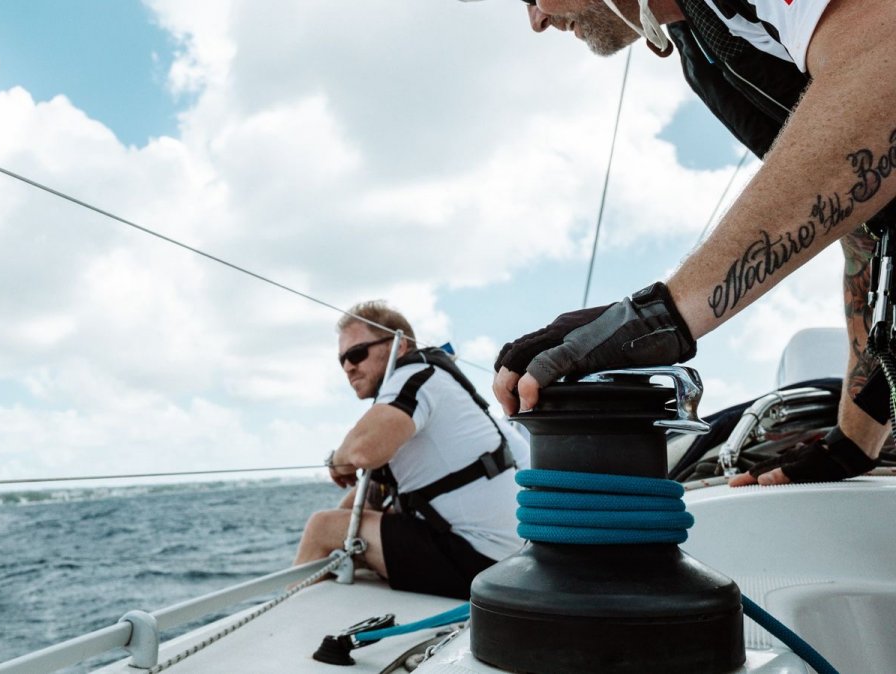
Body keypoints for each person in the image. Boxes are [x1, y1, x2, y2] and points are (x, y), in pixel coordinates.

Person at [489, 0, 896, 487]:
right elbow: (862, 210)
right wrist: (853, 444)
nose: (536, 21)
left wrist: (658, 316)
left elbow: (886, 70)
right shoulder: (704, 47)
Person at [293, 301, 528, 599]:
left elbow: (362, 452)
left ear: (399, 344)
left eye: (357, 353)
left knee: (321, 527)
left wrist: (336, 461)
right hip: (506, 559)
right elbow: (375, 493)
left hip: (481, 562)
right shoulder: (432, 381)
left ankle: (279, 632)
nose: (349, 366)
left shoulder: (415, 376)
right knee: (349, 523)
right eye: (342, 360)